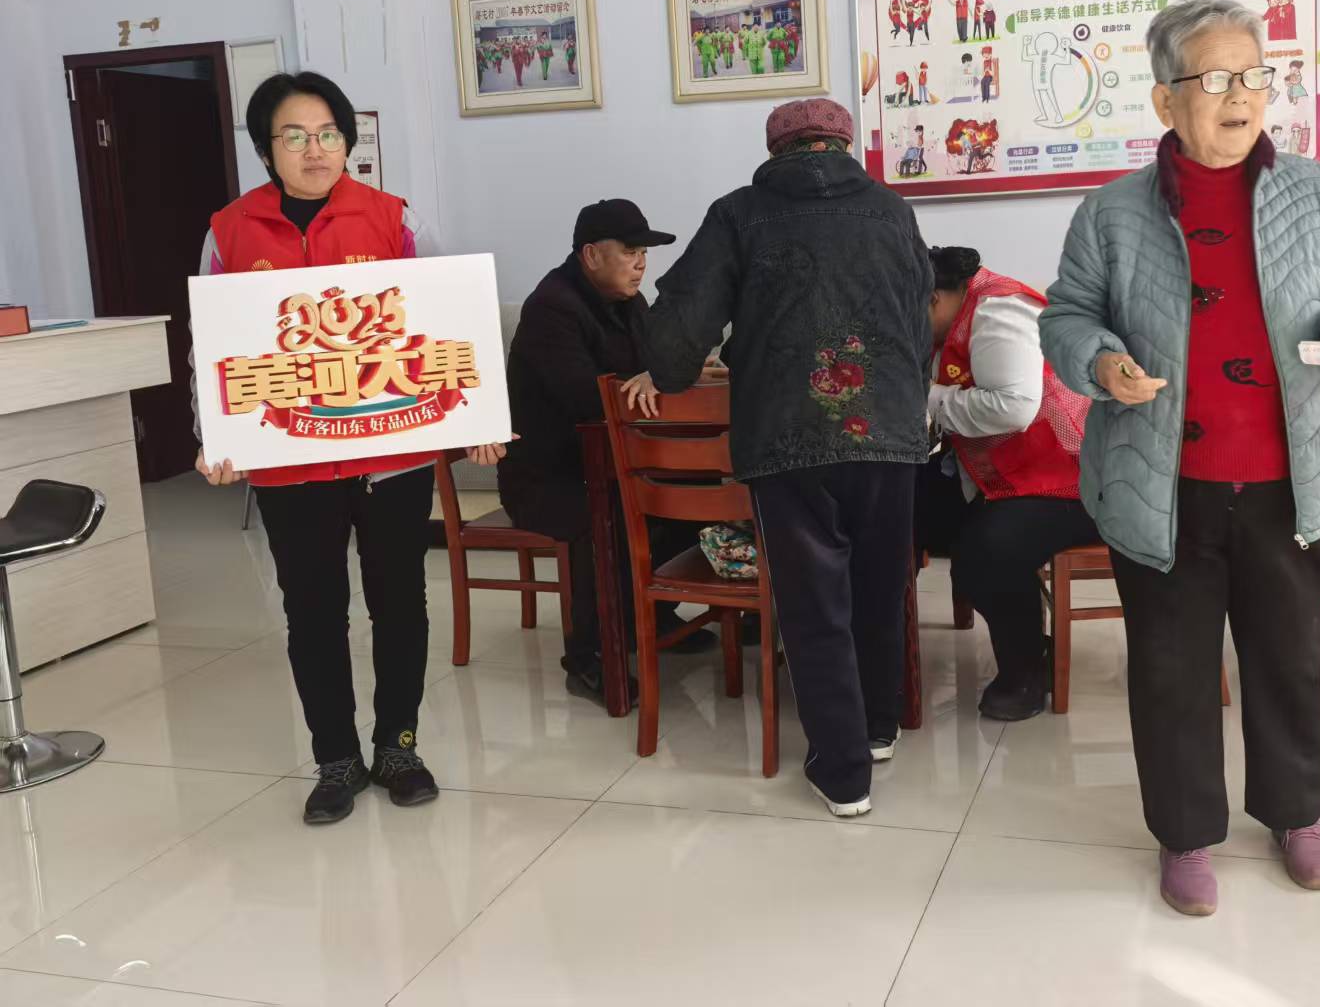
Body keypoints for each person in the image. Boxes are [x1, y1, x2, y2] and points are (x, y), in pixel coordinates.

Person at [1040, 0, 1320, 918]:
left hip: (1289, 477)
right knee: (1172, 668)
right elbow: (1067, 314)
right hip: (1160, 484)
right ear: (1167, 100)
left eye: (1254, 75)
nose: (1241, 96)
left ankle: (1295, 813)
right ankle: (1185, 832)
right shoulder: (1111, 213)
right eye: (1215, 78)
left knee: (1290, 657)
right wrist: (1100, 362)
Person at [193, 71, 508, 826]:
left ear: (347, 141)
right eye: (295, 136)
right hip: (290, 462)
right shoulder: (229, 230)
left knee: (400, 602)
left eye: (329, 134)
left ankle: (399, 746)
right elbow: (213, 347)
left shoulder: (393, 217)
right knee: (312, 611)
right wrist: (215, 436)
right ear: (265, 149)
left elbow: (450, 318)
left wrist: (479, 416)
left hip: (392, 458)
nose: (315, 150)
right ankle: (335, 757)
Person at [644, 98, 933, 819]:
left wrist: (672, 365)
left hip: (787, 437)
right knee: (880, 585)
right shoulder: (893, 211)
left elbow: (675, 342)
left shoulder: (739, 214)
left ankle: (843, 773)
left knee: (814, 603)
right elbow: (919, 320)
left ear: (775, 151)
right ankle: (878, 727)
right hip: (889, 431)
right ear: (844, 145)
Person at [498, 200, 718, 699]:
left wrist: (680, 370)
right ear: (592, 255)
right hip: (550, 476)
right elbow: (587, 398)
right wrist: (651, 379)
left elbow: (654, 361)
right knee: (605, 516)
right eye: (631, 252)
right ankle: (588, 658)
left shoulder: (627, 299)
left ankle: (652, 613)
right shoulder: (552, 308)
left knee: (700, 493)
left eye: (645, 254)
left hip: (616, 464)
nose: (641, 264)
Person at [914, 246, 1100, 720]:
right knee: (901, 509)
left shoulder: (999, 311)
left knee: (985, 555)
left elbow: (1013, 408)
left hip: (1074, 478)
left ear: (933, 298)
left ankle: (1026, 673)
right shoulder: (957, 320)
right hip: (1014, 470)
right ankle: (889, 662)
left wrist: (926, 397)